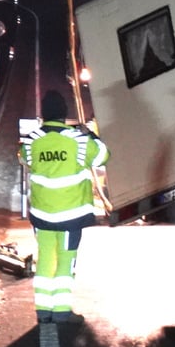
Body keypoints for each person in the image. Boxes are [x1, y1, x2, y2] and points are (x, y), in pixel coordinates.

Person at [18, 90, 110, 324]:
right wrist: (92, 135)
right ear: (64, 114)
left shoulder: (30, 140)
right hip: (70, 213)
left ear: (44, 113)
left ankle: (43, 311)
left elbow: (23, 159)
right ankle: (61, 311)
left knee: (46, 257)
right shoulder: (78, 140)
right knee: (66, 260)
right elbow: (102, 157)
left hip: (42, 213)